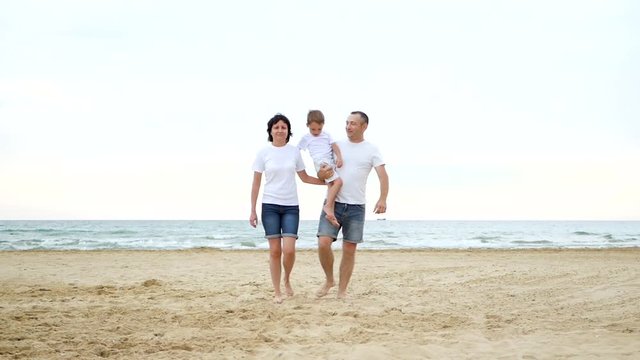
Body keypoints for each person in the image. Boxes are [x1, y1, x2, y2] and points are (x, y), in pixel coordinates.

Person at [250, 113, 325, 304]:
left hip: (291, 206)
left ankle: (287, 279)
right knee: (275, 251)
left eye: (284, 127)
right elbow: (256, 183)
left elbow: (305, 177)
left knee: (289, 250)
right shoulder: (263, 153)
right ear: (271, 131)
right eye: (276, 127)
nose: (280, 130)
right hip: (270, 206)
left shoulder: (294, 152)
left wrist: (328, 183)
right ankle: (277, 291)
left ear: (288, 131)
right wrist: (252, 209)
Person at [315, 111, 389, 299]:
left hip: (356, 207)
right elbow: (321, 173)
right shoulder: (337, 146)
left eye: (353, 123)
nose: (348, 126)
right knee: (323, 243)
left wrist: (382, 198)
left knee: (349, 249)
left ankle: (342, 291)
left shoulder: (371, 149)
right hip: (333, 204)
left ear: (364, 127)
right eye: (347, 123)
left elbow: (383, 175)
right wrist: (322, 174)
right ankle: (329, 280)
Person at [297, 110, 343, 228]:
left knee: (331, 186)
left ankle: (330, 213)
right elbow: (296, 150)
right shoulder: (306, 138)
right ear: (307, 125)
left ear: (323, 125)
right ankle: (327, 206)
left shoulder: (327, 135)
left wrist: (340, 158)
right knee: (338, 182)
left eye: (319, 129)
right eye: (313, 129)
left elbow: (335, 146)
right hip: (321, 163)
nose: (316, 132)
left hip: (330, 162)